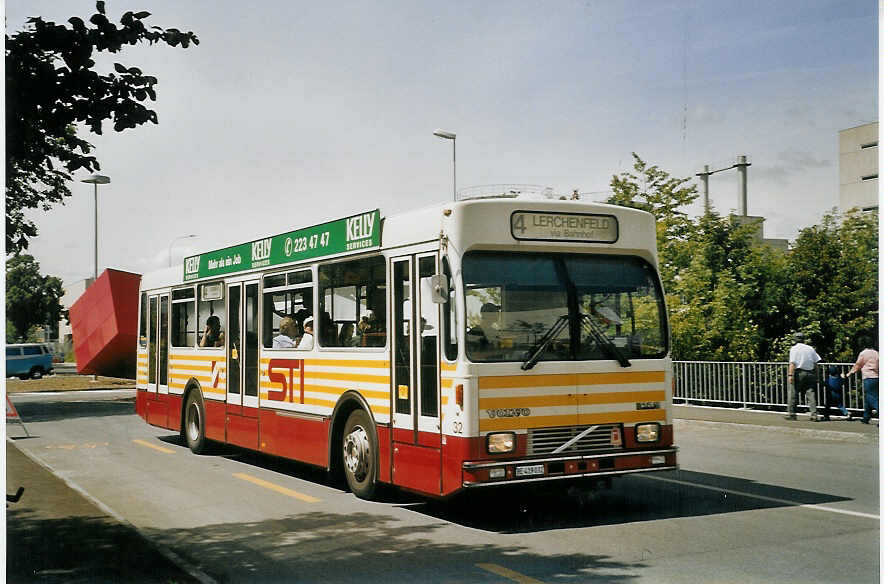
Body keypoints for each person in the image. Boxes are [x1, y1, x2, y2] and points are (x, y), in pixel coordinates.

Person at [785, 332, 821, 421]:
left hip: (799, 373)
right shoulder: (810, 348)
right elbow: (815, 363)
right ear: (804, 339)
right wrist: (817, 376)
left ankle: (791, 414)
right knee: (810, 394)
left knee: (793, 393)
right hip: (810, 373)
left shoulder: (794, 349)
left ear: (795, 339)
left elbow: (792, 363)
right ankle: (814, 414)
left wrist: (790, 375)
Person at [847, 342, 878, 424]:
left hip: (868, 377)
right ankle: (866, 417)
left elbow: (858, 365)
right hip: (877, 377)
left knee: (872, 398)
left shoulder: (863, 353)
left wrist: (850, 373)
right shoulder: (876, 353)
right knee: (868, 398)